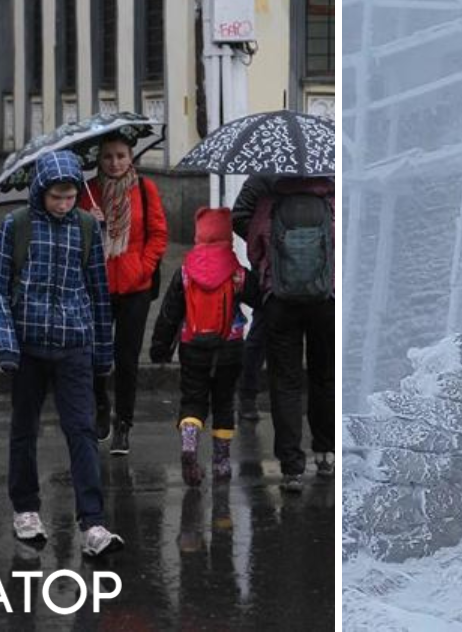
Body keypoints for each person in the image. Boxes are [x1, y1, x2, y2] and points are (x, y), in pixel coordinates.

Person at [0, 150, 124, 556]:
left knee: (82, 430)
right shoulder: (17, 225)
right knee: (24, 428)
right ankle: (26, 508)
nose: (64, 205)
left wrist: (103, 352)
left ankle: (93, 523)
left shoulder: (85, 227)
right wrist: (6, 343)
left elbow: (99, 294)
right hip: (28, 346)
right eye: (56, 197)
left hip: (75, 345)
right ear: (41, 193)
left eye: (70, 197)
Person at [232, 175, 335, 493]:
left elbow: (253, 247)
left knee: (285, 384)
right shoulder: (330, 200)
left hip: (279, 302)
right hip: (326, 302)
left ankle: (291, 467)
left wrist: (267, 267)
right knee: (325, 378)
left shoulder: (268, 200)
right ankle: (326, 454)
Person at [149, 208, 259, 486]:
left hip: (192, 346)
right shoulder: (236, 271)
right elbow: (259, 298)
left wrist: (160, 349)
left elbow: (169, 314)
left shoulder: (186, 271)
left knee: (193, 400)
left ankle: (189, 443)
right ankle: (221, 462)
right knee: (223, 402)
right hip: (230, 347)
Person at [79, 133, 168, 456]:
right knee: (96, 354)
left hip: (135, 288)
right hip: (98, 286)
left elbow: (158, 233)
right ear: (98, 160)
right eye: (107, 157)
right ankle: (101, 406)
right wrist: (88, 222)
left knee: (126, 358)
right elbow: (74, 236)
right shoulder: (88, 192)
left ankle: (124, 424)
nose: (114, 163)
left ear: (131, 157)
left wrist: (143, 268)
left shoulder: (145, 189)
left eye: (120, 155)